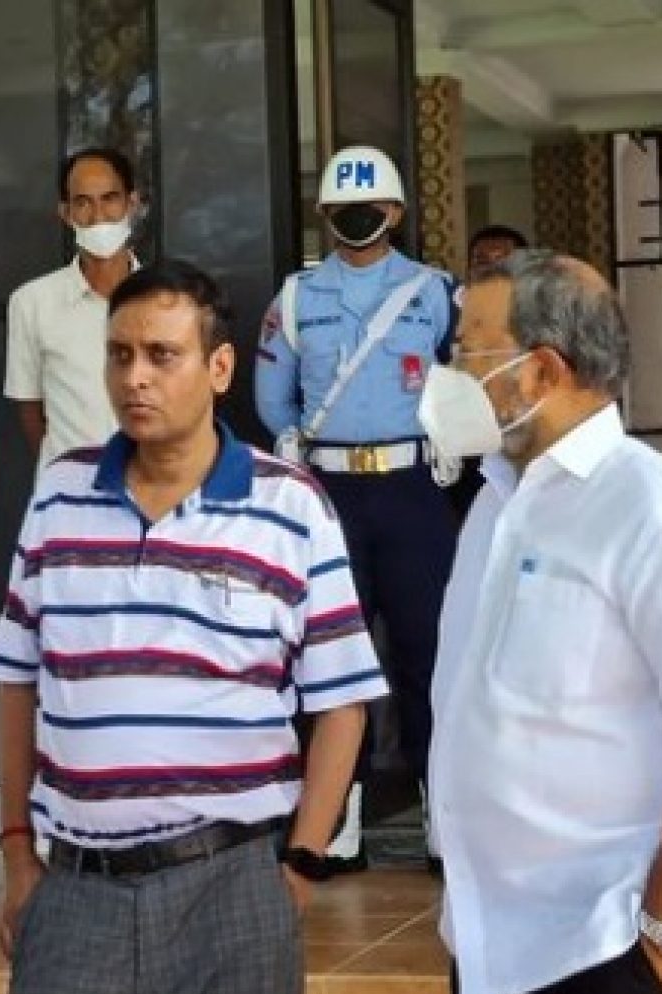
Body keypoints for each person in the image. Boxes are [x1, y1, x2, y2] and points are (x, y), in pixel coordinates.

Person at [0, 259, 386, 994]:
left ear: (220, 368)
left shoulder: (291, 506)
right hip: (76, 890)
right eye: (119, 354)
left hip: (232, 885)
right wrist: (16, 854)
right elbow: (16, 682)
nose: (135, 378)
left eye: (161, 356)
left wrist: (301, 864)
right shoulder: (60, 495)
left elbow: (342, 705)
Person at [425, 250, 662, 994]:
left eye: (467, 352)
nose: (446, 374)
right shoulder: (494, 502)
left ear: (541, 371)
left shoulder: (660, 512)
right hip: (492, 943)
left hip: (607, 948)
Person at [254, 144, 458, 872]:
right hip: (330, 493)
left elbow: (466, 377)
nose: (358, 218)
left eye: (370, 207)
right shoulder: (297, 298)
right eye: (343, 209)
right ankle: (335, 825)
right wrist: (287, 441)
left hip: (412, 489)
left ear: (396, 212)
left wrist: (453, 438)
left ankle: (443, 818)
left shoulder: (435, 292)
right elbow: (272, 393)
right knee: (331, 660)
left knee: (429, 655)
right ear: (324, 215)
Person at [6, 147, 138, 470]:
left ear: (132, 204)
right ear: (65, 213)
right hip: (70, 488)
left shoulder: (167, 299)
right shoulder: (32, 302)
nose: (98, 216)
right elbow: (30, 409)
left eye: (110, 199)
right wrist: (65, 472)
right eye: (83, 203)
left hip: (153, 483)